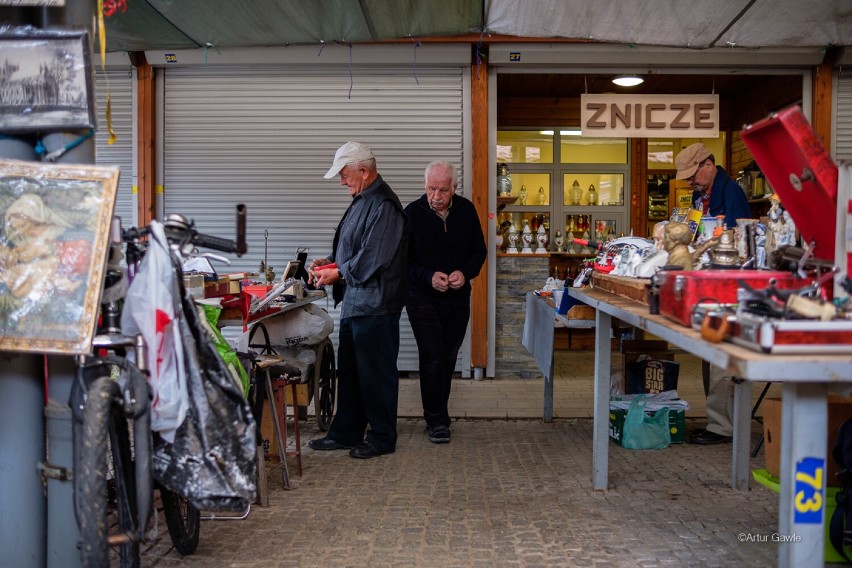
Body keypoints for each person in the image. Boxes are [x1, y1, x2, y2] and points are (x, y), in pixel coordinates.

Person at [307, 141, 408, 459]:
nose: (341, 181)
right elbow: (354, 250)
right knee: (351, 372)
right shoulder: (362, 199)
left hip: (376, 306)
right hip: (357, 303)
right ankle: (347, 431)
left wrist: (338, 273)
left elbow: (373, 258)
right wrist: (330, 263)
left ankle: (381, 437)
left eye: (344, 175)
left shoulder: (384, 205)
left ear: (364, 171)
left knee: (376, 373)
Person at [675, 143, 752, 445]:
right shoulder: (699, 195)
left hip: (728, 283)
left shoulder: (730, 192)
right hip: (707, 281)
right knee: (710, 349)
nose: (689, 181)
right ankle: (717, 420)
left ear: (709, 164)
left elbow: (739, 240)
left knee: (721, 352)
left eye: (692, 174)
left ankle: (723, 427)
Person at [404, 161, 486, 443]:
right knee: (432, 357)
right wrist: (428, 277)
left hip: (457, 299)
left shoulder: (466, 211)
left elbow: (479, 252)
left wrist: (465, 273)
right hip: (421, 297)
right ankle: (437, 421)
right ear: (424, 186)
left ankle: (438, 413)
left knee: (448, 359)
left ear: (454, 188)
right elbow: (403, 262)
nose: (436, 196)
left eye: (443, 190)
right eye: (431, 189)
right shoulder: (412, 214)